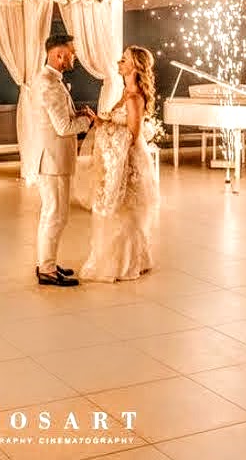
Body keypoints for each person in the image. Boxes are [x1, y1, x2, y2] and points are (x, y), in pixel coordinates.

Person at [80, 45, 160, 282]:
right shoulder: (126, 92)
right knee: (121, 210)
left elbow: (133, 134)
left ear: (135, 66)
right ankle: (133, 258)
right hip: (120, 156)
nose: (119, 62)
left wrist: (106, 127)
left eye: (123, 60)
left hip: (129, 159)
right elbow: (117, 122)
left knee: (125, 210)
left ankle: (125, 263)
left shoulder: (134, 97)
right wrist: (100, 121)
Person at [30, 34, 95, 287]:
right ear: (59, 56)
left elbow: (58, 118)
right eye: (72, 53)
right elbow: (63, 127)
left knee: (53, 214)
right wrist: (87, 120)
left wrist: (75, 112)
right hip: (52, 161)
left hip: (52, 158)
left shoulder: (49, 80)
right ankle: (46, 269)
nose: (74, 57)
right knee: (55, 215)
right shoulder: (50, 84)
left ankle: (47, 262)